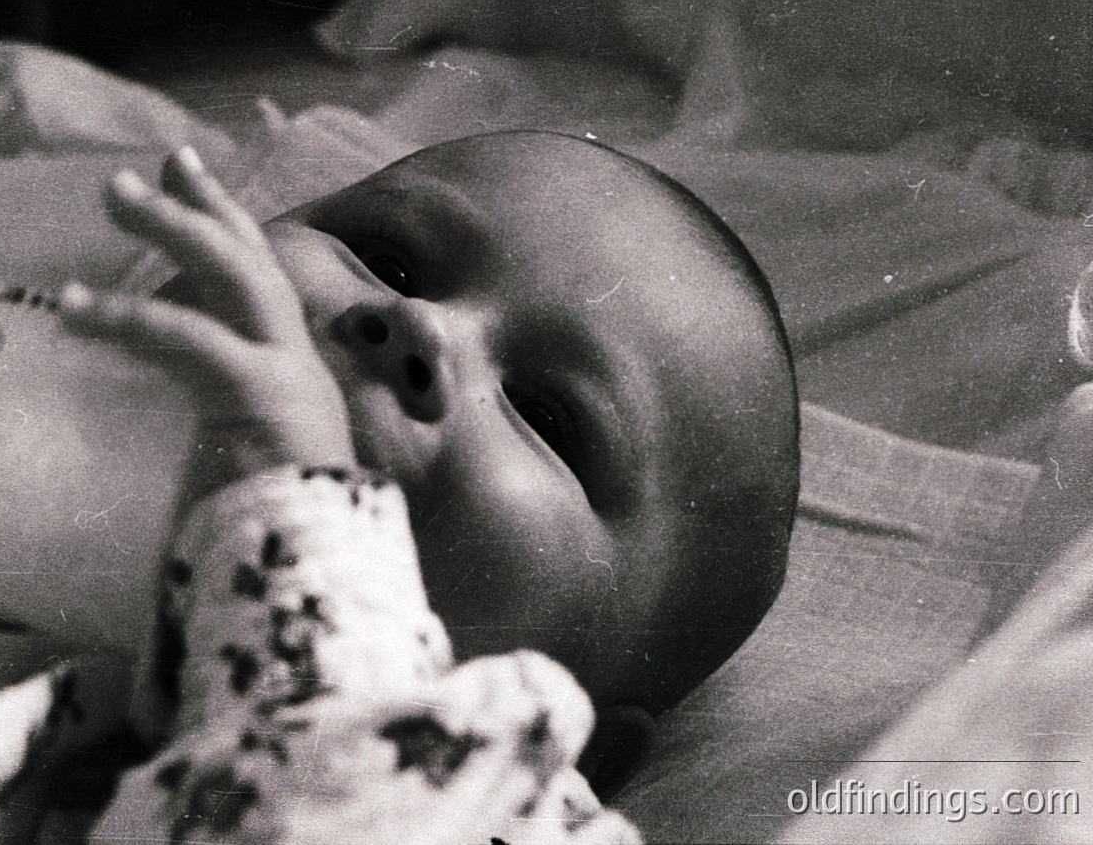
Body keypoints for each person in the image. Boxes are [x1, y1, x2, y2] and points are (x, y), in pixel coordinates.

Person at [58, 131, 801, 788]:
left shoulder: (491, 798)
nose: (421, 322)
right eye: (390, 262)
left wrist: (305, 530)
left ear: (567, 749)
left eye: (546, 414)